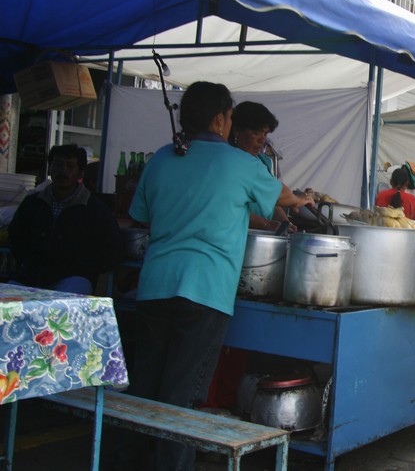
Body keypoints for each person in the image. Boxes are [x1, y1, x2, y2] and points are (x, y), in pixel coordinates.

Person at [116, 82, 312, 470]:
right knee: (181, 392)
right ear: (222, 119)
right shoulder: (239, 163)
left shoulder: (161, 158)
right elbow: (282, 198)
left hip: (155, 285)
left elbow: (140, 215)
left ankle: (127, 462)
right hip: (204, 290)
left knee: (145, 385)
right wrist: (304, 199)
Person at [9, 144, 122, 294]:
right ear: (50, 169)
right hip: (31, 276)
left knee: (67, 299)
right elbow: (16, 237)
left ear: (80, 173)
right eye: (58, 165)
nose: (63, 171)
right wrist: (27, 262)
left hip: (73, 278)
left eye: (70, 166)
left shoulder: (95, 209)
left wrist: (83, 268)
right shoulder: (32, 203)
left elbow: (111, 250)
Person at [229, 101, 298, 232]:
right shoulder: (228, 163)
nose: (262, 140)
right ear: (237, 130)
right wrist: (265, 224)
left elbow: (273, 203)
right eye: (256, 133)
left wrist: (285, 223)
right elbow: (228, 209)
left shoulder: (265, 163)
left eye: (265, 134)